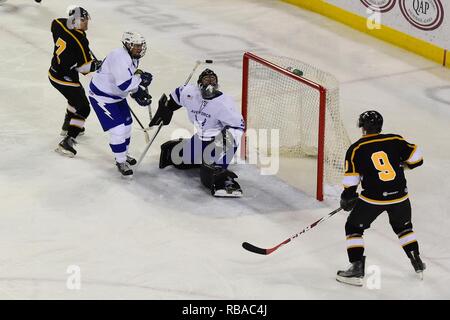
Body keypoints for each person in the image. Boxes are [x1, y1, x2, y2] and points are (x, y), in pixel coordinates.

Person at [336, 110, 425, 286]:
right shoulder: (395, 140)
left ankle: (356, 268)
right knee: (404, 228)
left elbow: (352, 179)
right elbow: (417, 159)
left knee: (353, 227)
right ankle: (416, 259)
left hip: (373, 199)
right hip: (400, 197)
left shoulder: (356, 149)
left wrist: (348, 197)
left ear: (362, 127)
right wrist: (401, 166)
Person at [149, 69, 245, 197]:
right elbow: (177, 96)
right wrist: (167, 108)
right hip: (200, 137)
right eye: (207, 80)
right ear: (199, 83)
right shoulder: (190, 93)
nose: (210, 83)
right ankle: (188, 147)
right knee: (181, 160)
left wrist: (223, 148)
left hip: (217, 140)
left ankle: (223, 179)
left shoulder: (224, 103)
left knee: (209, 176)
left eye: (213, 80)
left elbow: (237, 127)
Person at [88, 31, 153, 177]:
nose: (139, 48)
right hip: (102, 97)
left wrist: (137, 92)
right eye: (136, 45)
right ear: (128, 45)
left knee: (128, 127)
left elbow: (128, 80)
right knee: (118, 129)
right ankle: (120, 160)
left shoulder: (132, 57)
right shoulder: (119, 57)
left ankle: (124, 153)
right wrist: (140, 81)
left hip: (117, 97)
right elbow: (124, 84)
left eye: (141, 45)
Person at [49, 6, 102, 157]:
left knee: (75, 96)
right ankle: (68, 140)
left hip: (54, 71)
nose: (87, 24)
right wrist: (97, 64)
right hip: (65, 78)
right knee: (84, 107)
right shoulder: (80, 40)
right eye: (84, 20)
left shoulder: (58, 24)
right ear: (76, 20)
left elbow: (54, 23)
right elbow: (84, 69)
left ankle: (67, 124)